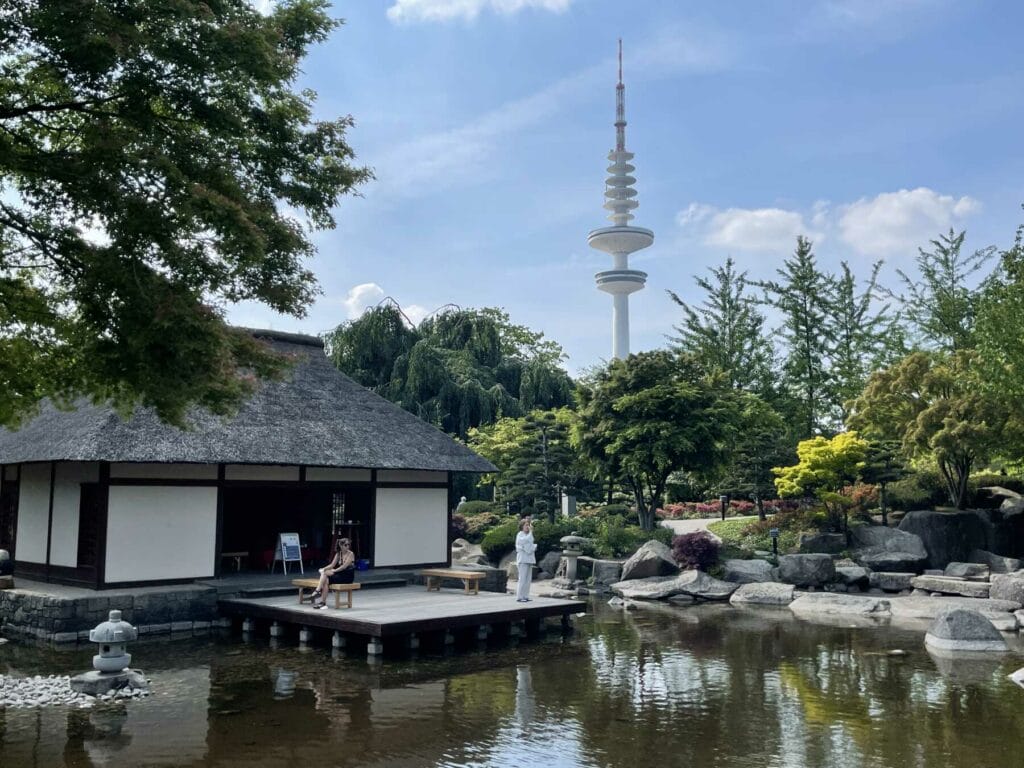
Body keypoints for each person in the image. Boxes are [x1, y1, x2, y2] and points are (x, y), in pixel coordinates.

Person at [310, 538, 355, 609]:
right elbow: (332, 565)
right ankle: (323, 603)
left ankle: (318, 590)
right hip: (340, 574)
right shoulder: (338, 554)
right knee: (325, 580)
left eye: (348, 545)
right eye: (346, 545)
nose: (347, 546)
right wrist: (324, 569)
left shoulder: (351, 554)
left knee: (325, 575)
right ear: (341, 545)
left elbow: (344, 567)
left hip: (347, 576)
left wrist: (334, 571)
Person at [515, 517, 536, 602]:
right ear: (522, 526)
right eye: (526, 525)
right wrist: (531, 532)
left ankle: (526, 596)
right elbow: (524, 541)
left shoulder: (529, 534)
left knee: (528, 579)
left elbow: (530, 544)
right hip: (522, 559)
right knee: (522, 578)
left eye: (528, 525)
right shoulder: (520, 534)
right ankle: (520, 597)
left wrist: (531, 547)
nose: (527, 527)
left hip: (529, 559)